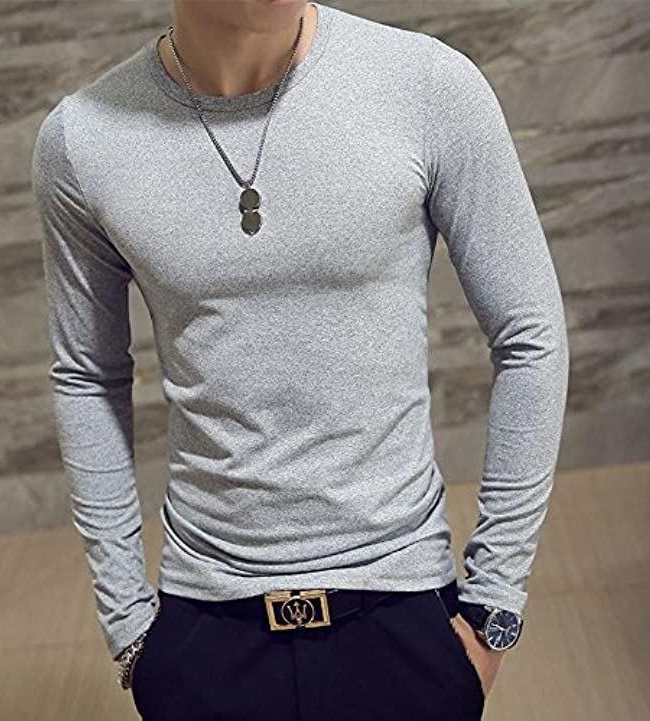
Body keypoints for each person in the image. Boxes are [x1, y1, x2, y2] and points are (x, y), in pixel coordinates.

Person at [30, 1, 570, 719]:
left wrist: (494, 603)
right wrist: (129, 624)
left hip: (402, 605)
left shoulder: (427, 85)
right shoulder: (83, 138)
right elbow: (87, 376)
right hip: (204, 626)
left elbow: (531, 335)